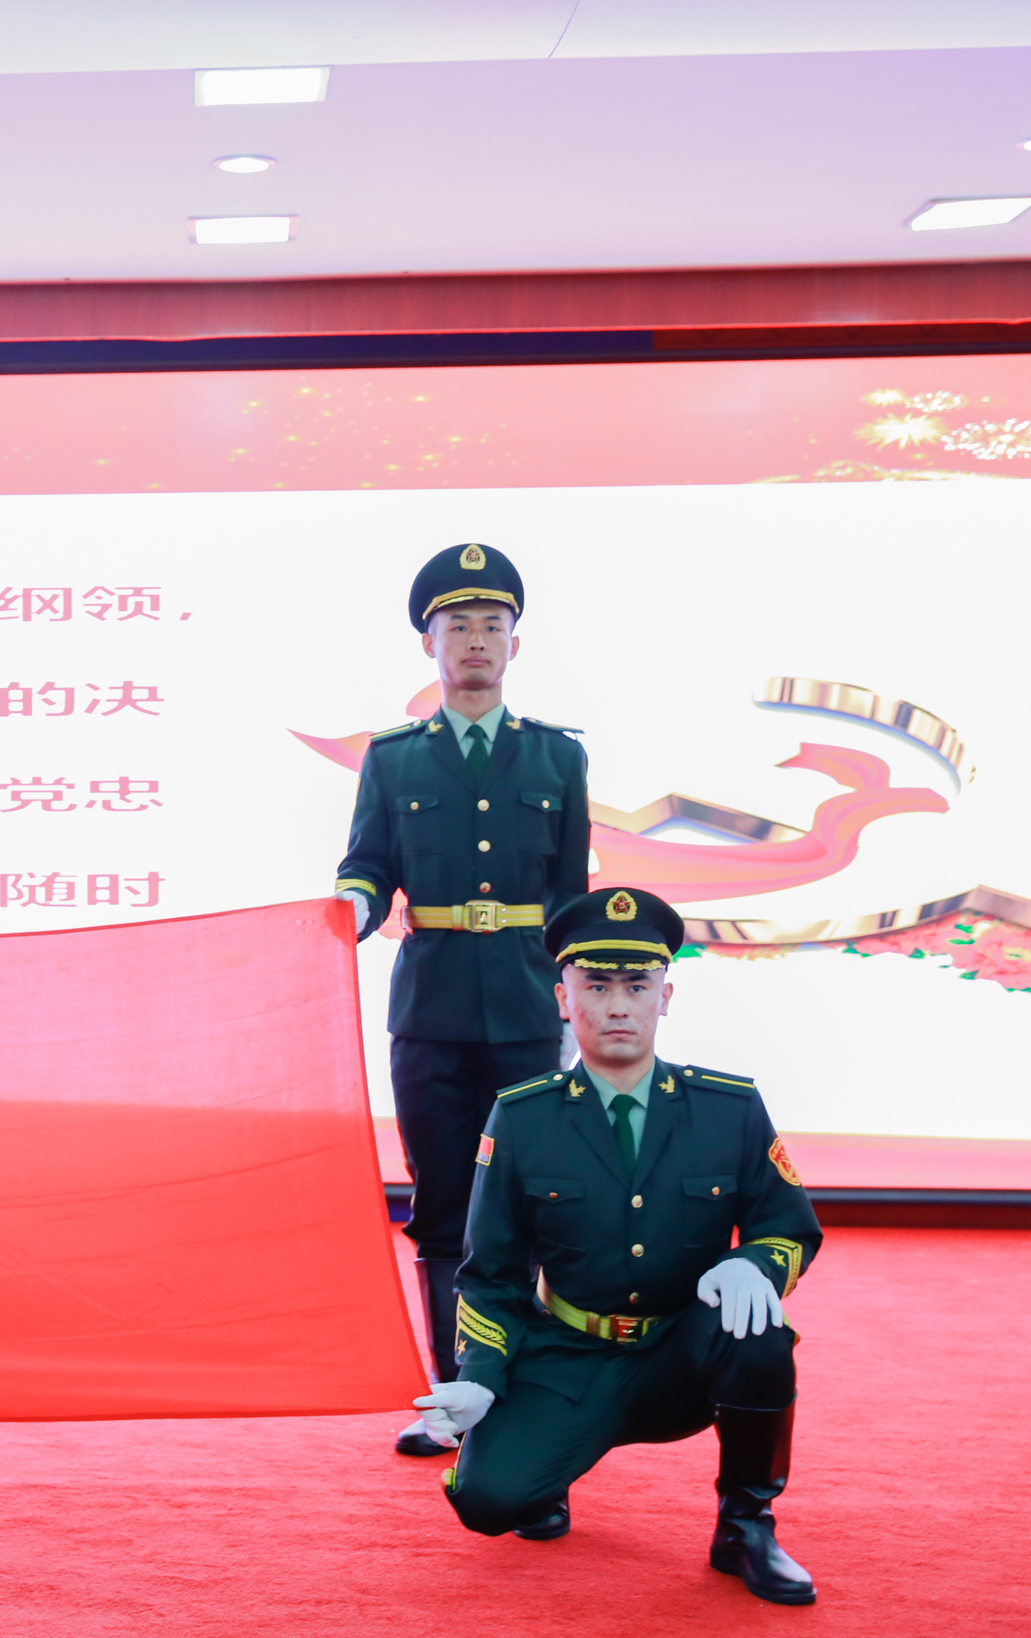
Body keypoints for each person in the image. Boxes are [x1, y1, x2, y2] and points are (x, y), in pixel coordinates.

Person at [413, 886, 821, 1605]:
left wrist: (753, 1263)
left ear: (666, 996)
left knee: (760, 1330)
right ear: (563, 999)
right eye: (597, 985)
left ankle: (745, 1525)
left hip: (681, 1357)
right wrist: (481, 1374)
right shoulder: (522, 1117)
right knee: (488, 1502)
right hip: (566, 1356)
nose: (619, 1005)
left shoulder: (729, 1108)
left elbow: (786, 1226)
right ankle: (548, 1473)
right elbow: (491, 1273)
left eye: (637, 985)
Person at [334, 543, 590, 1457]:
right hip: (430, 1014)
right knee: (442, 1206)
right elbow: (367, 864)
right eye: (458, 626)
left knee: (525, 1206)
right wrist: (352, 906)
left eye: (492, 625)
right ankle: (449, 1399)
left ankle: (517, 1394)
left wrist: (576, 1002)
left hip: (525, 1013)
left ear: (515, 644)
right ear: (429, 644)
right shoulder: (394, 759)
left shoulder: (556, 756)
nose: (475, 640)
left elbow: (570, 895)